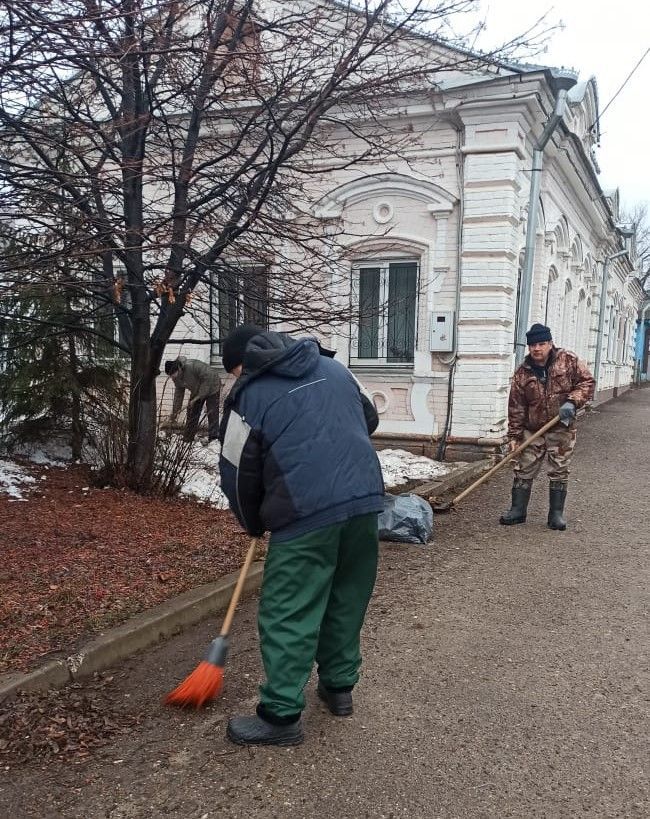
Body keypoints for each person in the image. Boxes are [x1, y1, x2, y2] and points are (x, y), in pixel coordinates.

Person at [218, 324, 384, 746]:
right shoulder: (335, 369)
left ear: (243, 363)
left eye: (233, 371)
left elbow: (237, 475)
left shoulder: (247, 397)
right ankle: (339, 687)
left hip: (305, 512)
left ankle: (281, 715)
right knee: (346, 596)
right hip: (365, 500)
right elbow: (369, 417)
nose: (235, 379)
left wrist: (252, 521)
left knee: (288, 611)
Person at [499, 323, 595, 531]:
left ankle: (556, 515)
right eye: (533, 344)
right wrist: (514, 436)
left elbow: (587, 382)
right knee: (523, 468)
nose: (537, 348)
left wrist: (572, 401)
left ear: (550, 343)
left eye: (542, 343)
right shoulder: (522, 373)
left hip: (561, 428)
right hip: (532, 430)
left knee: (559, 470)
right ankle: (517, 511)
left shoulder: (568, 360)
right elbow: (516, 406)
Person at [165, 357, 221, 442]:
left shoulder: (192, 366)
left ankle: (213, 438)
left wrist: (199, 396)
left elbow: (209, 377)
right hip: (196, 390)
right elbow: (179, 394)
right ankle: (188, 437)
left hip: (212, 385)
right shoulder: (176, 378)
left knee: (212, 412)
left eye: (173, 374)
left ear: (179, 369)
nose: (172, 377)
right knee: (192, 412)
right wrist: (175, 411)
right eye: (170, 375)